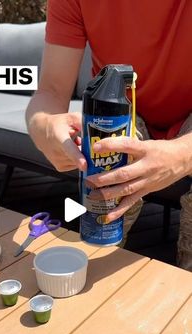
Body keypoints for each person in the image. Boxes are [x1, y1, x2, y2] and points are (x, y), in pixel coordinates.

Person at [26, 0, 192, 271]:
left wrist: (183, 154)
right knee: (105, 171)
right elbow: (51, 93)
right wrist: (44, 126)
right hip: (114, 113)